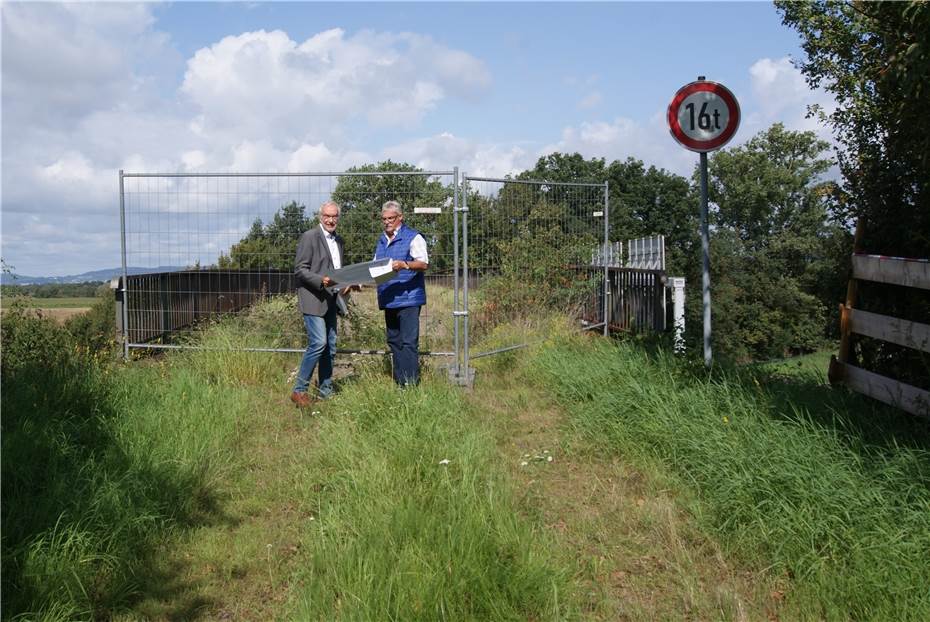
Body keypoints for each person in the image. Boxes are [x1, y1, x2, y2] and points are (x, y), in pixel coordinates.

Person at [291, 200, 346, 407]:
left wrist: (347, 284)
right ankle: (299, 390)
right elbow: (301, 269)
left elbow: (338, 271)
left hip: (331, 299)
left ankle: (325, 391)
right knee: (319, 342)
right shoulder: (309, 237)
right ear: (320, 217)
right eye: (327, 216)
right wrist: (321, 280)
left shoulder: (339, 241)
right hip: (313, 298)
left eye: (334, 216)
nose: (331, 220)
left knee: (330, 347)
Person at [374, 200, 429, 386]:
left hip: (409, 298)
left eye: (391, 218)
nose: (387, 222)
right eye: (384, 219)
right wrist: (358, 282)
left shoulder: (413, 237)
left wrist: (404, 264)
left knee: (408, 342)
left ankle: (411, 384)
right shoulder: (381, 240)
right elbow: (375, 270)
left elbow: (423, 263)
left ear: (400, 217)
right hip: (389, 298)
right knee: (394, 341)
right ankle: (400, 382)